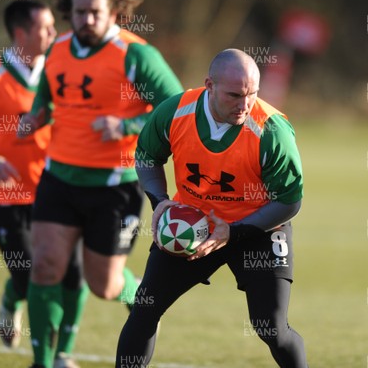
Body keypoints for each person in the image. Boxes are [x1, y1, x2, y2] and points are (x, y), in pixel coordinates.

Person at [17, 0, 183, 367]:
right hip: (58, 177)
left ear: (115, 13)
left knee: (105, 285)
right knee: (44, 266)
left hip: (114, 185)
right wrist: (34, 118)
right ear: (67, 13)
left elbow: (177, 110)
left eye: (95, 12)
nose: (86, 20)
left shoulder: (136, 55)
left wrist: (124, 126)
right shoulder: (56, 50)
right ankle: (43, 362)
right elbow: (46, 99)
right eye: (79, 12)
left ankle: (138, 295)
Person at [115, 48, 307, 367]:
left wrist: (232, 233)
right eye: (234, 94)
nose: (244, 104)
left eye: (252, 94)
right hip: (191, 224)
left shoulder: (272, 131)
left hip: (257, 229)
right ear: (209, 85)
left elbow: (288, 202)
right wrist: (160, 201)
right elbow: (147, 156)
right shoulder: (175, 111)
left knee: (270, 327)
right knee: (144, 308)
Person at [0, 0, 89, 368]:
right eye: (46, 28)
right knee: (27, 275)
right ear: (21, 33)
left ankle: (61, 355)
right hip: (6, 198)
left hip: (55, 192)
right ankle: (11, 296)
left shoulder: (60, 74)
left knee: (73, 274)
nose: (54, 34)